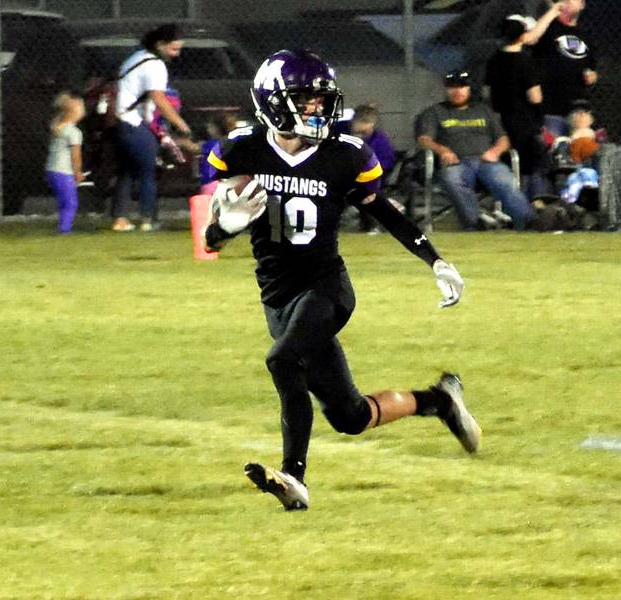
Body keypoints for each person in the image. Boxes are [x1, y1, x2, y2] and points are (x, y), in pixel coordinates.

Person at [203, 49, 481, 511]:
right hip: (278, 297)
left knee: (283, 360)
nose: (317, 108)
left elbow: (385, 212)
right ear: (272, 100)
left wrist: (435, 260)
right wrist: (224, 229)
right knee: (350, 416)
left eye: (321, 99)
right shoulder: (241, 150)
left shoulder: (344, 154)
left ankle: (294, 478)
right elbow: (211, 241)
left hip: (327, 288)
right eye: (306, 100)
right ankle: (440, 402)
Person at [416, 69, 536, 231]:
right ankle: (474, 223)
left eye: (462, 87)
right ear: (446, 89)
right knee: (452, 179)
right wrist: (442, 150)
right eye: (453, 87)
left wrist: (496, 151)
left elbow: (503, 138)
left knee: (504, 180)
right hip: (455, 163)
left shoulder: (483, 110)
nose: (458, 91)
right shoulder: (434, 112)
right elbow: (424, 139)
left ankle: (528, 222)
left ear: (469, 89)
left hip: (486, 162)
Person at [112, 23, 192, 233]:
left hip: (121, 122)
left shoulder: (136, 58)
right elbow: (159, 98)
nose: (177, 54)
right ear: (160, 44)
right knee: (149, 173)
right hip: (135, 123)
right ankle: (148, 218)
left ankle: (120, 219)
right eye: (173, 49)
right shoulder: (155, 65)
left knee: (126, 172)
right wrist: (180, 124)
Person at [485, 14, 554, 200]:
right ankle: (535, 202)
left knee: (510, 161)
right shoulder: (525, 61)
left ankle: (510, 201)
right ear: (522, 35)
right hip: (525, 120)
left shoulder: (494, 59)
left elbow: (486, 91)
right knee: (534, 164)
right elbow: (535, 96)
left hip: (501, 118)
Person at [531, 0, 598, 138]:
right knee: (553, 151)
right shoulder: (548, 28)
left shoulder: (586, 34)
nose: (567, 2)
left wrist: (592, 77)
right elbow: (531, 38)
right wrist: (553, 11)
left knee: (582, 151)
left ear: (582, 4)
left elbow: (591, 67)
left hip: (577, 109)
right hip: (550, 107)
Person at [334, 104, 398, 232]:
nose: (359, 134)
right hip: (336, 175)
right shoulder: (337, 130)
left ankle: (371, 226)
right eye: (356, 130)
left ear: (372, 125)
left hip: (366, 178)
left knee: (366, 192)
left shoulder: (380, 140)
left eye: (364, 131)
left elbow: (385, 164)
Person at [45, 91, 86, 234]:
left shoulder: (57, 128)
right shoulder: (74, 132)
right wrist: (77, 173)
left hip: (51, 170)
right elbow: (76, 156)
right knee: (70, 203)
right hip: (63, 172)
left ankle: (64, 226)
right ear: (75, 112)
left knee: (63, 201)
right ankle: (64, 230)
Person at [198, 111, 240, 195]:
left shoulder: (211, 144)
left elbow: (194, 148)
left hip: (211, 184)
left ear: (216, 128)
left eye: (210, 126)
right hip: (232, 183)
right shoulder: (234, 143)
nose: (208, 128)